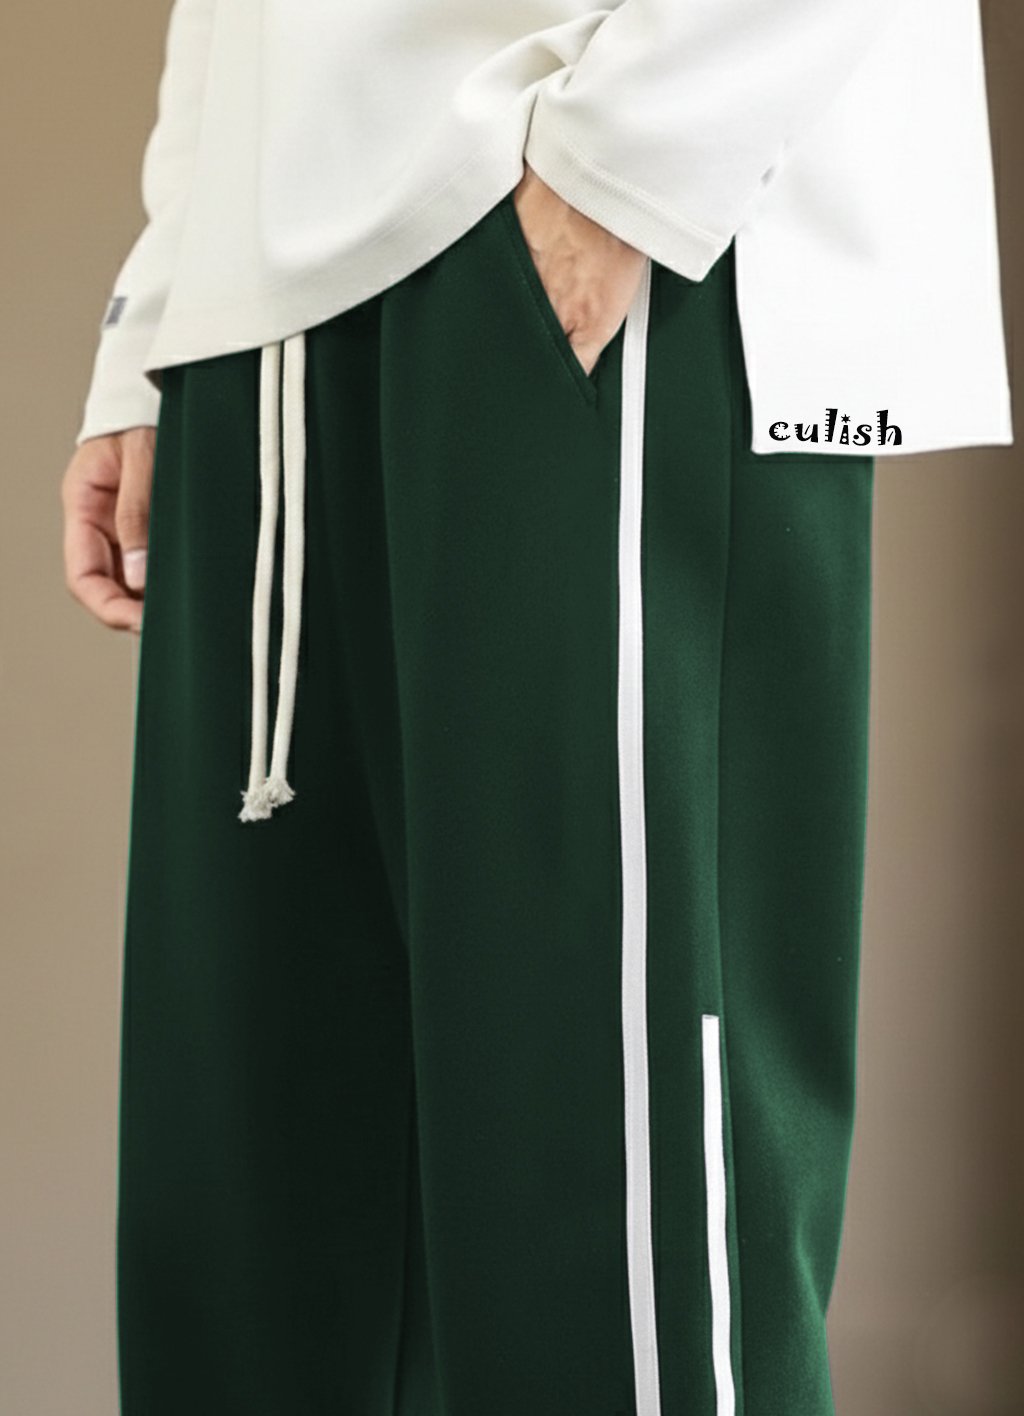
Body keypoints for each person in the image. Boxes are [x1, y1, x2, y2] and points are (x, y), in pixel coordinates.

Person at [60, 2, 1012, 1414]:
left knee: (595, 1246)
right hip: (256, 291)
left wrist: (631, 158)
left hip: (587, 200)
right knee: (259, 1236)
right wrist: (158, 311)